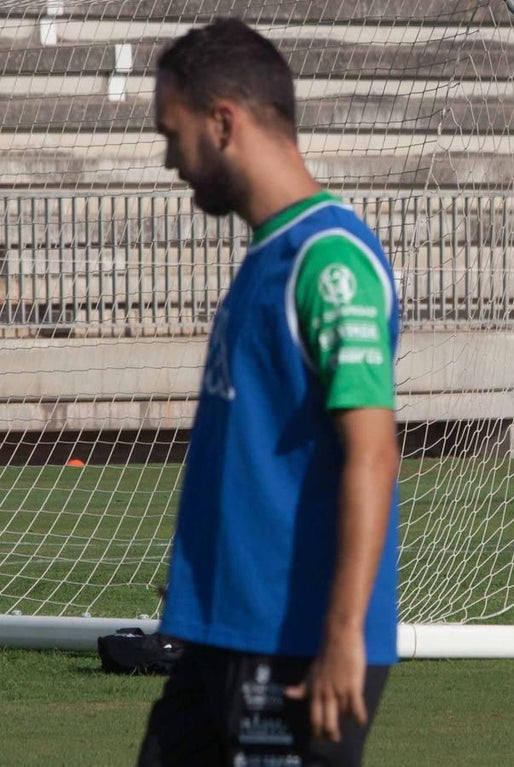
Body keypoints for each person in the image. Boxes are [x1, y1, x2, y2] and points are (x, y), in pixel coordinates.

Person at [137, 19, 401, 766]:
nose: (168, 159)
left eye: (172, 133)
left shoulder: (330, 261)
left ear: (223, 123)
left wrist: (343, 634)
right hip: (219, 638)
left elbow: (374, 453)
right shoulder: (269, 256)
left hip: (294, 647)